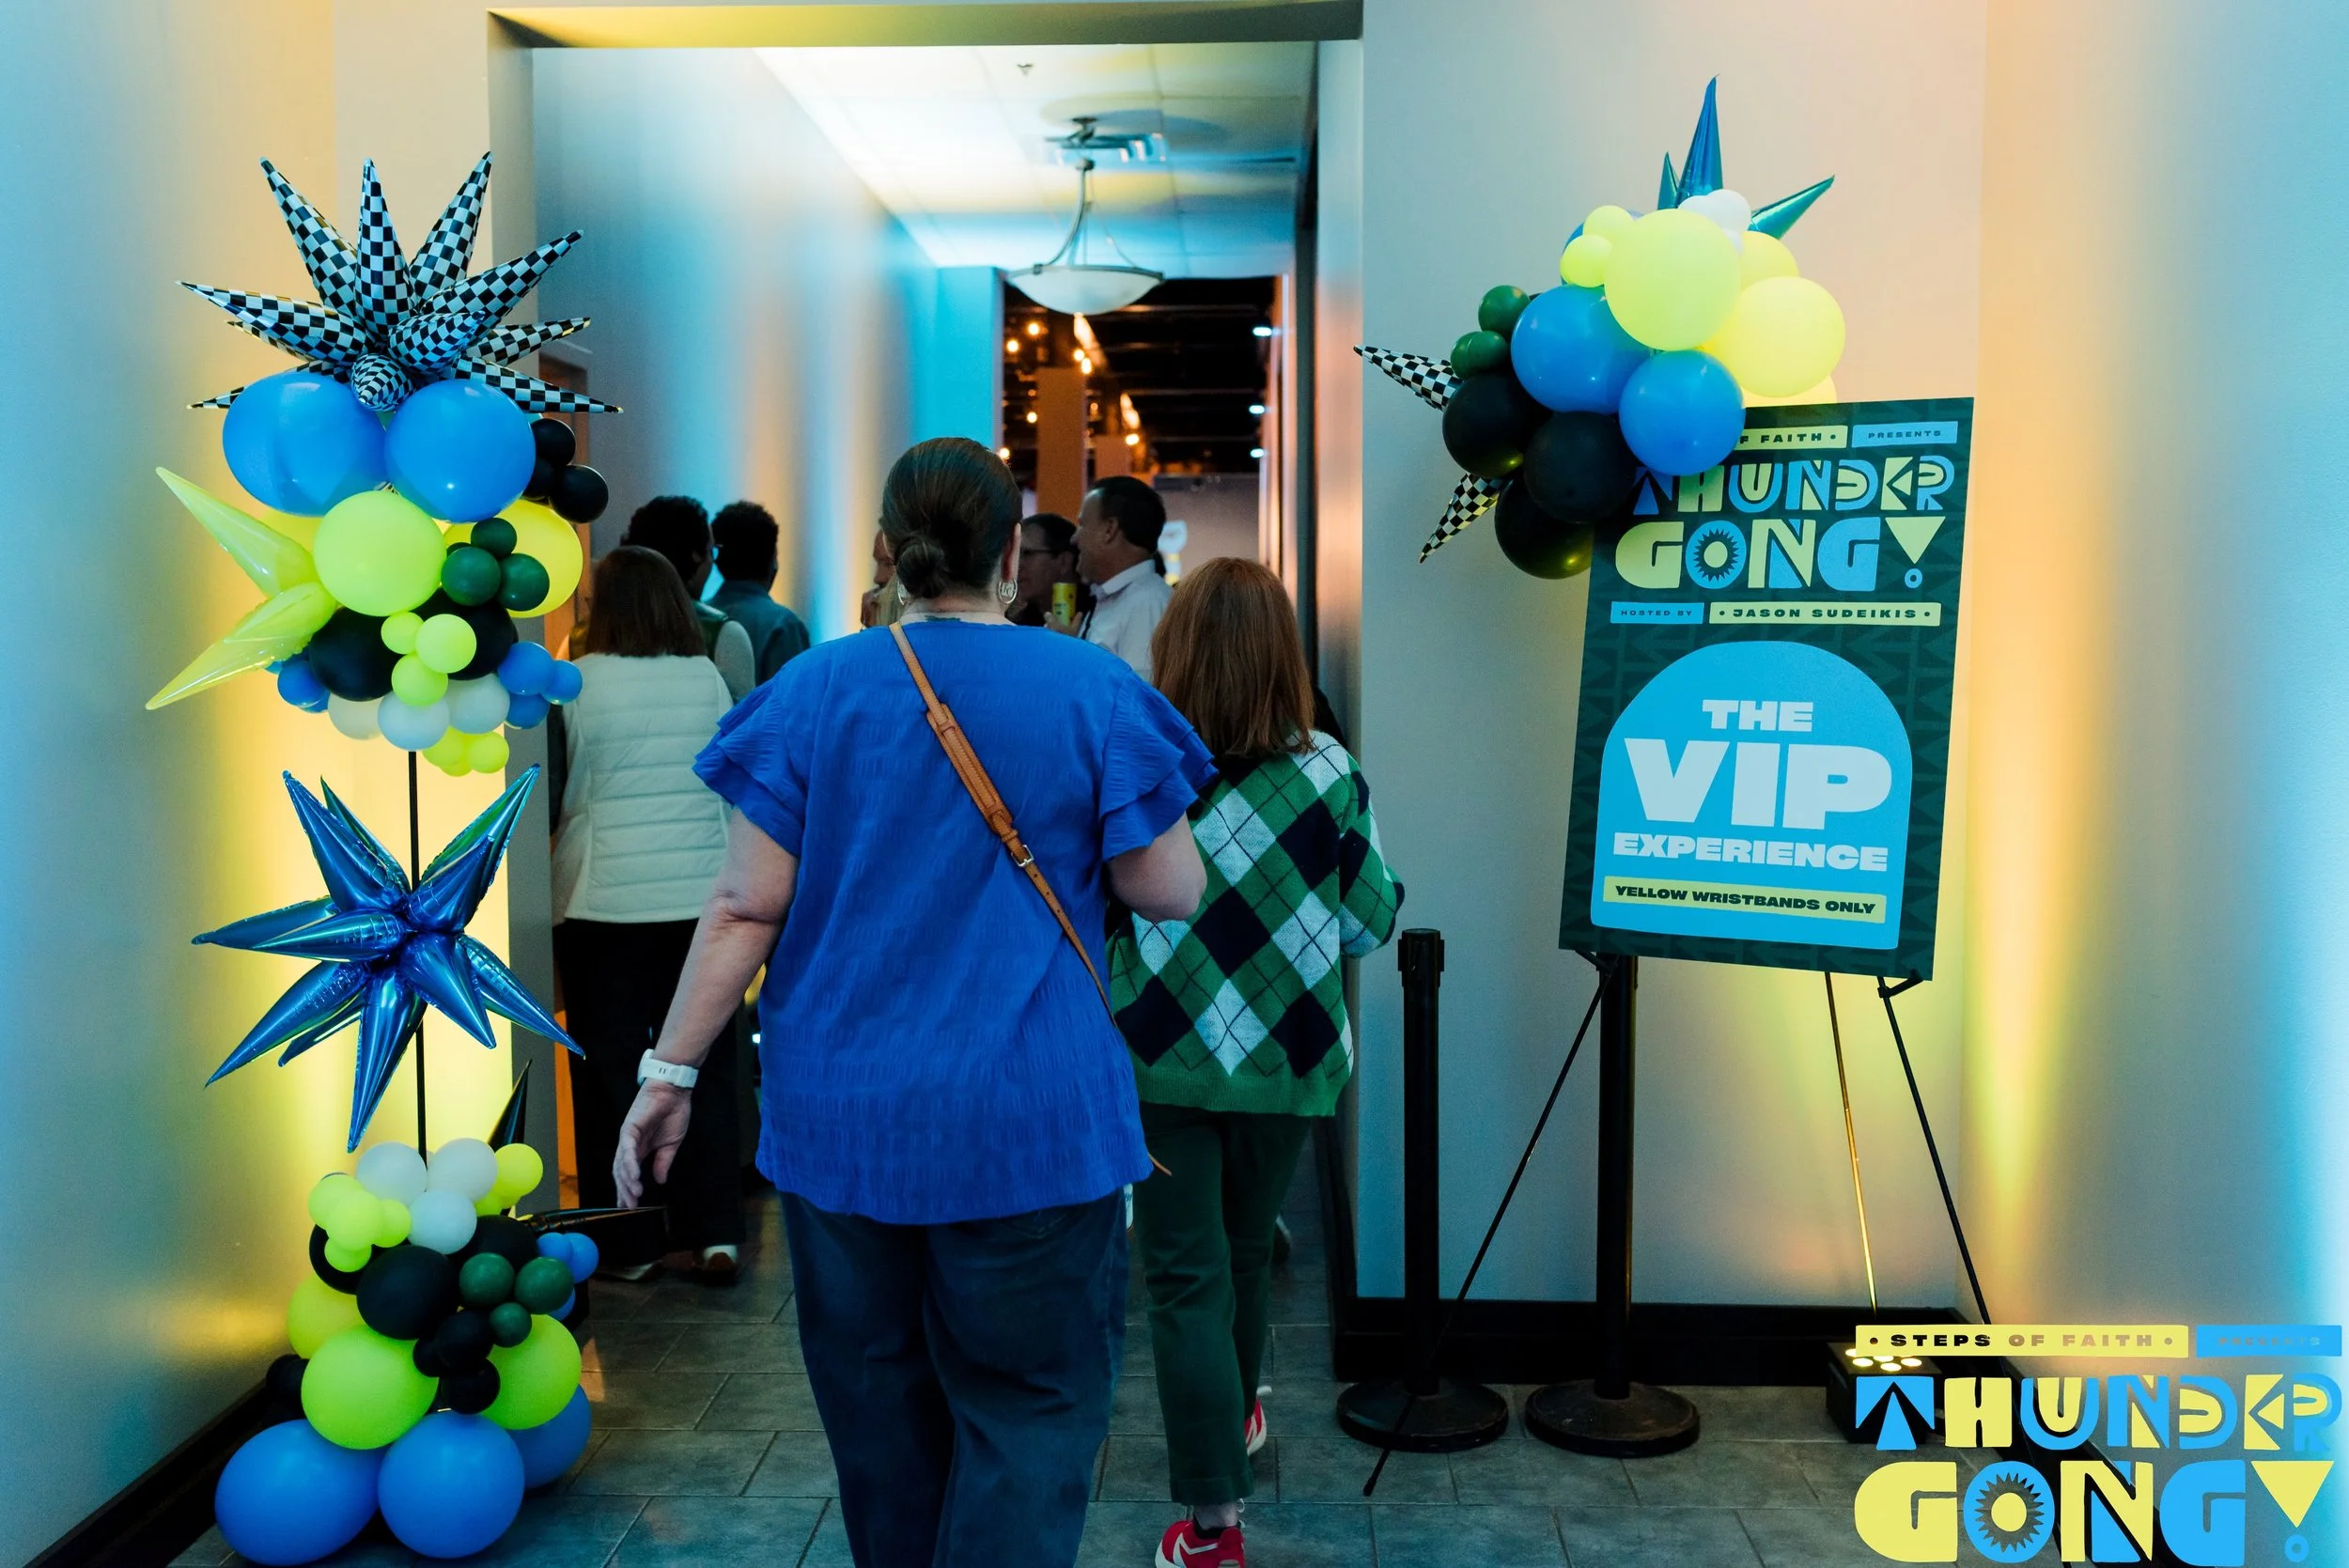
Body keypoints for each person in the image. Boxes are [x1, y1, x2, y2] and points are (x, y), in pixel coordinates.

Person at [610, 437, 1216, 1566]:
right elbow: (1169, 888)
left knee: (877, 1408)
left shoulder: (812, 690)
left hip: (845, 1119)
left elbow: (743, 905)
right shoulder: (1091, 687)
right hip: (1034, 1117)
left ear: (887, 549)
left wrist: (669, 1073)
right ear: (1010, 553)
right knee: (1030, 1409)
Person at [1112, 557, 1404, 1568]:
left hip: (1161, 1055)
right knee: (1240, 1257)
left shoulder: (1145, 764)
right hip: (1289, 1059)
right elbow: (1369, 923)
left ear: (1177, 648)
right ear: (1283, 651)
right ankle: (1231, 1421)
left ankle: (1211, 1525)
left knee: (1184, 1278)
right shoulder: (1329, 770)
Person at [551, 546, 747, 1282]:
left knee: (607, 1071)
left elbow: (556, 787)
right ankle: (716, 1231)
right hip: (698, 900)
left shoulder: (576, 681)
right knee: (703, 1062)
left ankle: (626, 1240)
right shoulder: (707, 678)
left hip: (602, 903)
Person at [620, 494, 757, 702]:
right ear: (696, 556)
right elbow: (742, 717)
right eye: (711, 552)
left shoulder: (593, 632)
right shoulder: (723, 634)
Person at [1068, 474, 1173, 678]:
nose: (1074, 538)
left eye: (1082, 525)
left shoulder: (1147, 604)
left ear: (1109, 529)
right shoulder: (1117, 599)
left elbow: (1138, 695)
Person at [709, 500, 813, 684]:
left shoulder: (691, 619)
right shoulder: (784, 626)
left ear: (717, 559)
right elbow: (793, 696)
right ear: (772, 559)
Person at [1011, 510, 1087, 629]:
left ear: (1064, 562)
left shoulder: (1097, 615)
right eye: (1016, 555)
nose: (1017, 566)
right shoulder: (1018, 626)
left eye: (1027, 553)